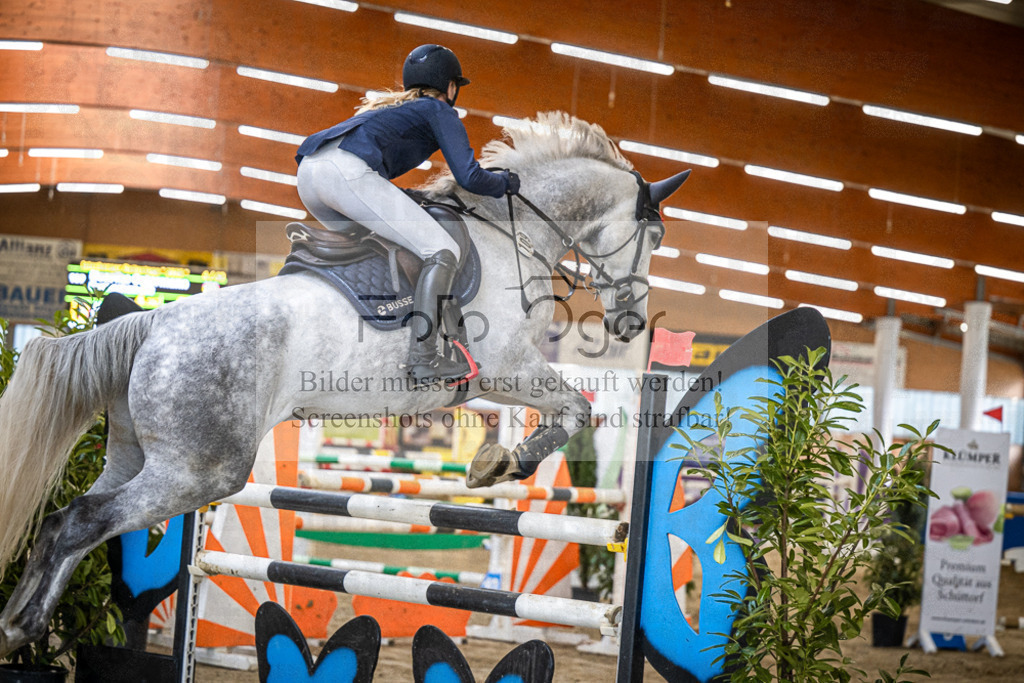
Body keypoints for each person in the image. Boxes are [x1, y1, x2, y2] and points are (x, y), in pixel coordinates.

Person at [295, 44, 519, 387]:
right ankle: (424, 358)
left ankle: (377, 327)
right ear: (450, 87)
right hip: (345, 174)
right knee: (442, 252)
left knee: (378, 244)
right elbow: (470, 177)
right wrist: (505, 181)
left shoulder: (401, 108)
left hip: (310, 176)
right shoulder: (439, 111)